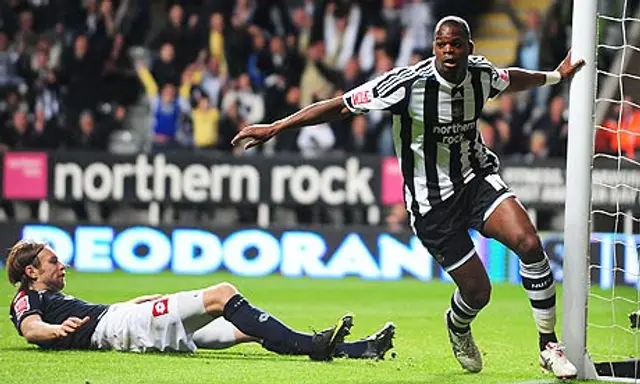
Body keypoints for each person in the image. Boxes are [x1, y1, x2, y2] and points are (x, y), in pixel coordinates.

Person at [231, 16, 585, 379]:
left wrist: (556, 76)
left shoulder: (482, 74)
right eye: (442, 44)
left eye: (456, 44)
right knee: (478, 292)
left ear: (469, 48)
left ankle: (548, 344)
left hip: (475, 180)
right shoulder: (407, 84)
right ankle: (458, 325)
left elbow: (512, 78)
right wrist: (275, 127)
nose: (449, 51)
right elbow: (341, 105)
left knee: (528, 242)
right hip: (432, 205)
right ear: (434, 47)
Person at [7, 239, 395, 360]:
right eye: (53, 261)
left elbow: (94, 315)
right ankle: (314, 346)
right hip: (119, 328)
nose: (62, 265)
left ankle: (359, 350)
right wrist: (54, 330)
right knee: (223, 293)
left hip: (123, 320)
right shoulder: (27, 300)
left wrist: (137, 302)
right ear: (31, 272)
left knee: (244, 330)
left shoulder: (51, 296)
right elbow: (30, 328)